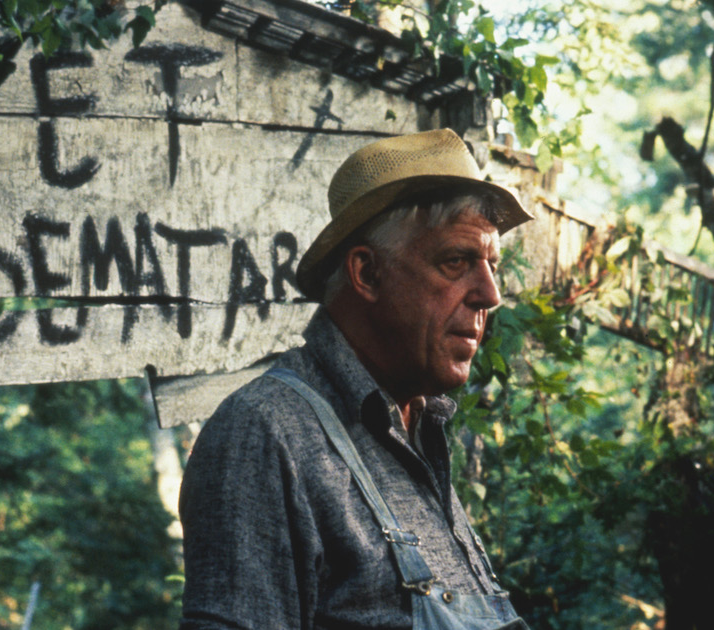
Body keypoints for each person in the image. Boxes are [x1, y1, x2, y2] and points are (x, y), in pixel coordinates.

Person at [178, 129, 533, 629]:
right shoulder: (266, 434)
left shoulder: (416, 428)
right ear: (366, 273)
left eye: (491, 265)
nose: (489, 295)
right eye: (456, 261)